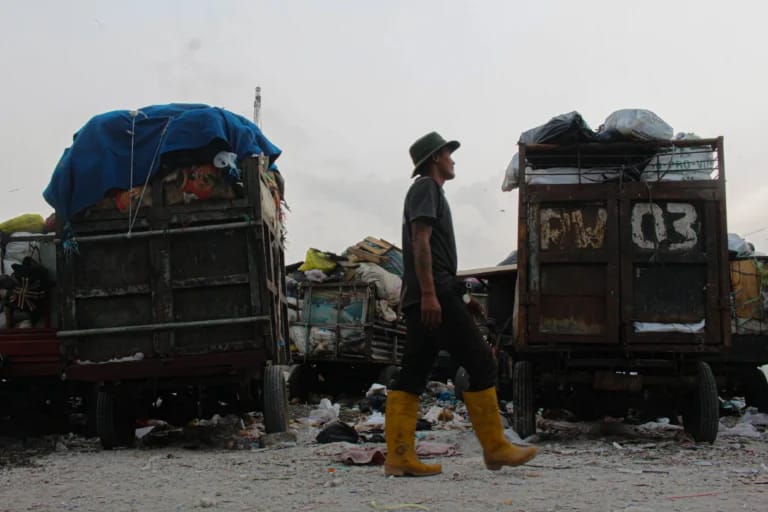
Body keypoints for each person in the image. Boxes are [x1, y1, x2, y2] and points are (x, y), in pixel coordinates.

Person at [384, 131, 538, 477]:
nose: (453, 159)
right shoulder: (426, 187)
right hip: (432, 293)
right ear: (436, 157)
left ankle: (399, 457)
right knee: (482, 361)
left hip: (435, 291)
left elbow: (436, 255)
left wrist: (465, 298)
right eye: (449, 154)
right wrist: (429, 294)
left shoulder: (432, 192)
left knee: (414, 372)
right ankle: (496, 448)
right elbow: (420, 242)